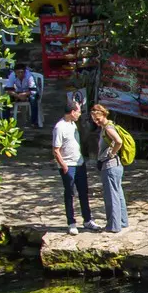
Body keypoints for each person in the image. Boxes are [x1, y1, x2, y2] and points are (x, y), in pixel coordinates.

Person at [87, 103, 128, 232]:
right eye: (94, 120)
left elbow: (119, 142)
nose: (97, 122)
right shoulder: (110, 125)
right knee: (118, 194)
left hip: (110, 167)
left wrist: (111, 153)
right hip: (116, 166)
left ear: (104, 115)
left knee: (111, 196)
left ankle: (113, 226)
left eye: (98, 119)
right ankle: (122, 222)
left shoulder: (108, 128)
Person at [52, 99, 91, 234]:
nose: (80, 114)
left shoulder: (73, 124)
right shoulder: (59, 127)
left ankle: (87, 220)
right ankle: (71, 222)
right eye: (79, 111)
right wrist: (63, 166)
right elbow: (56, 149)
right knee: (70, 193)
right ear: (73, 112)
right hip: (68, 165)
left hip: (79, 163)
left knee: (84, 192)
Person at [1, 60, 41, 135]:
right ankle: (6, 123)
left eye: (22, 72)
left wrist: (24, 94)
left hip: (29, 92)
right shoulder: (12, 75)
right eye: (18, 72)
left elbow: (33, 90)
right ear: (15, 72)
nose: (20, 74)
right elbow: (8, 90)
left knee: (33, 99)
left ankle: (34, 122)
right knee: (6, 101)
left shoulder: (29, 76)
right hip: (18, 93)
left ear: (25, 71)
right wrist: (17, 95)